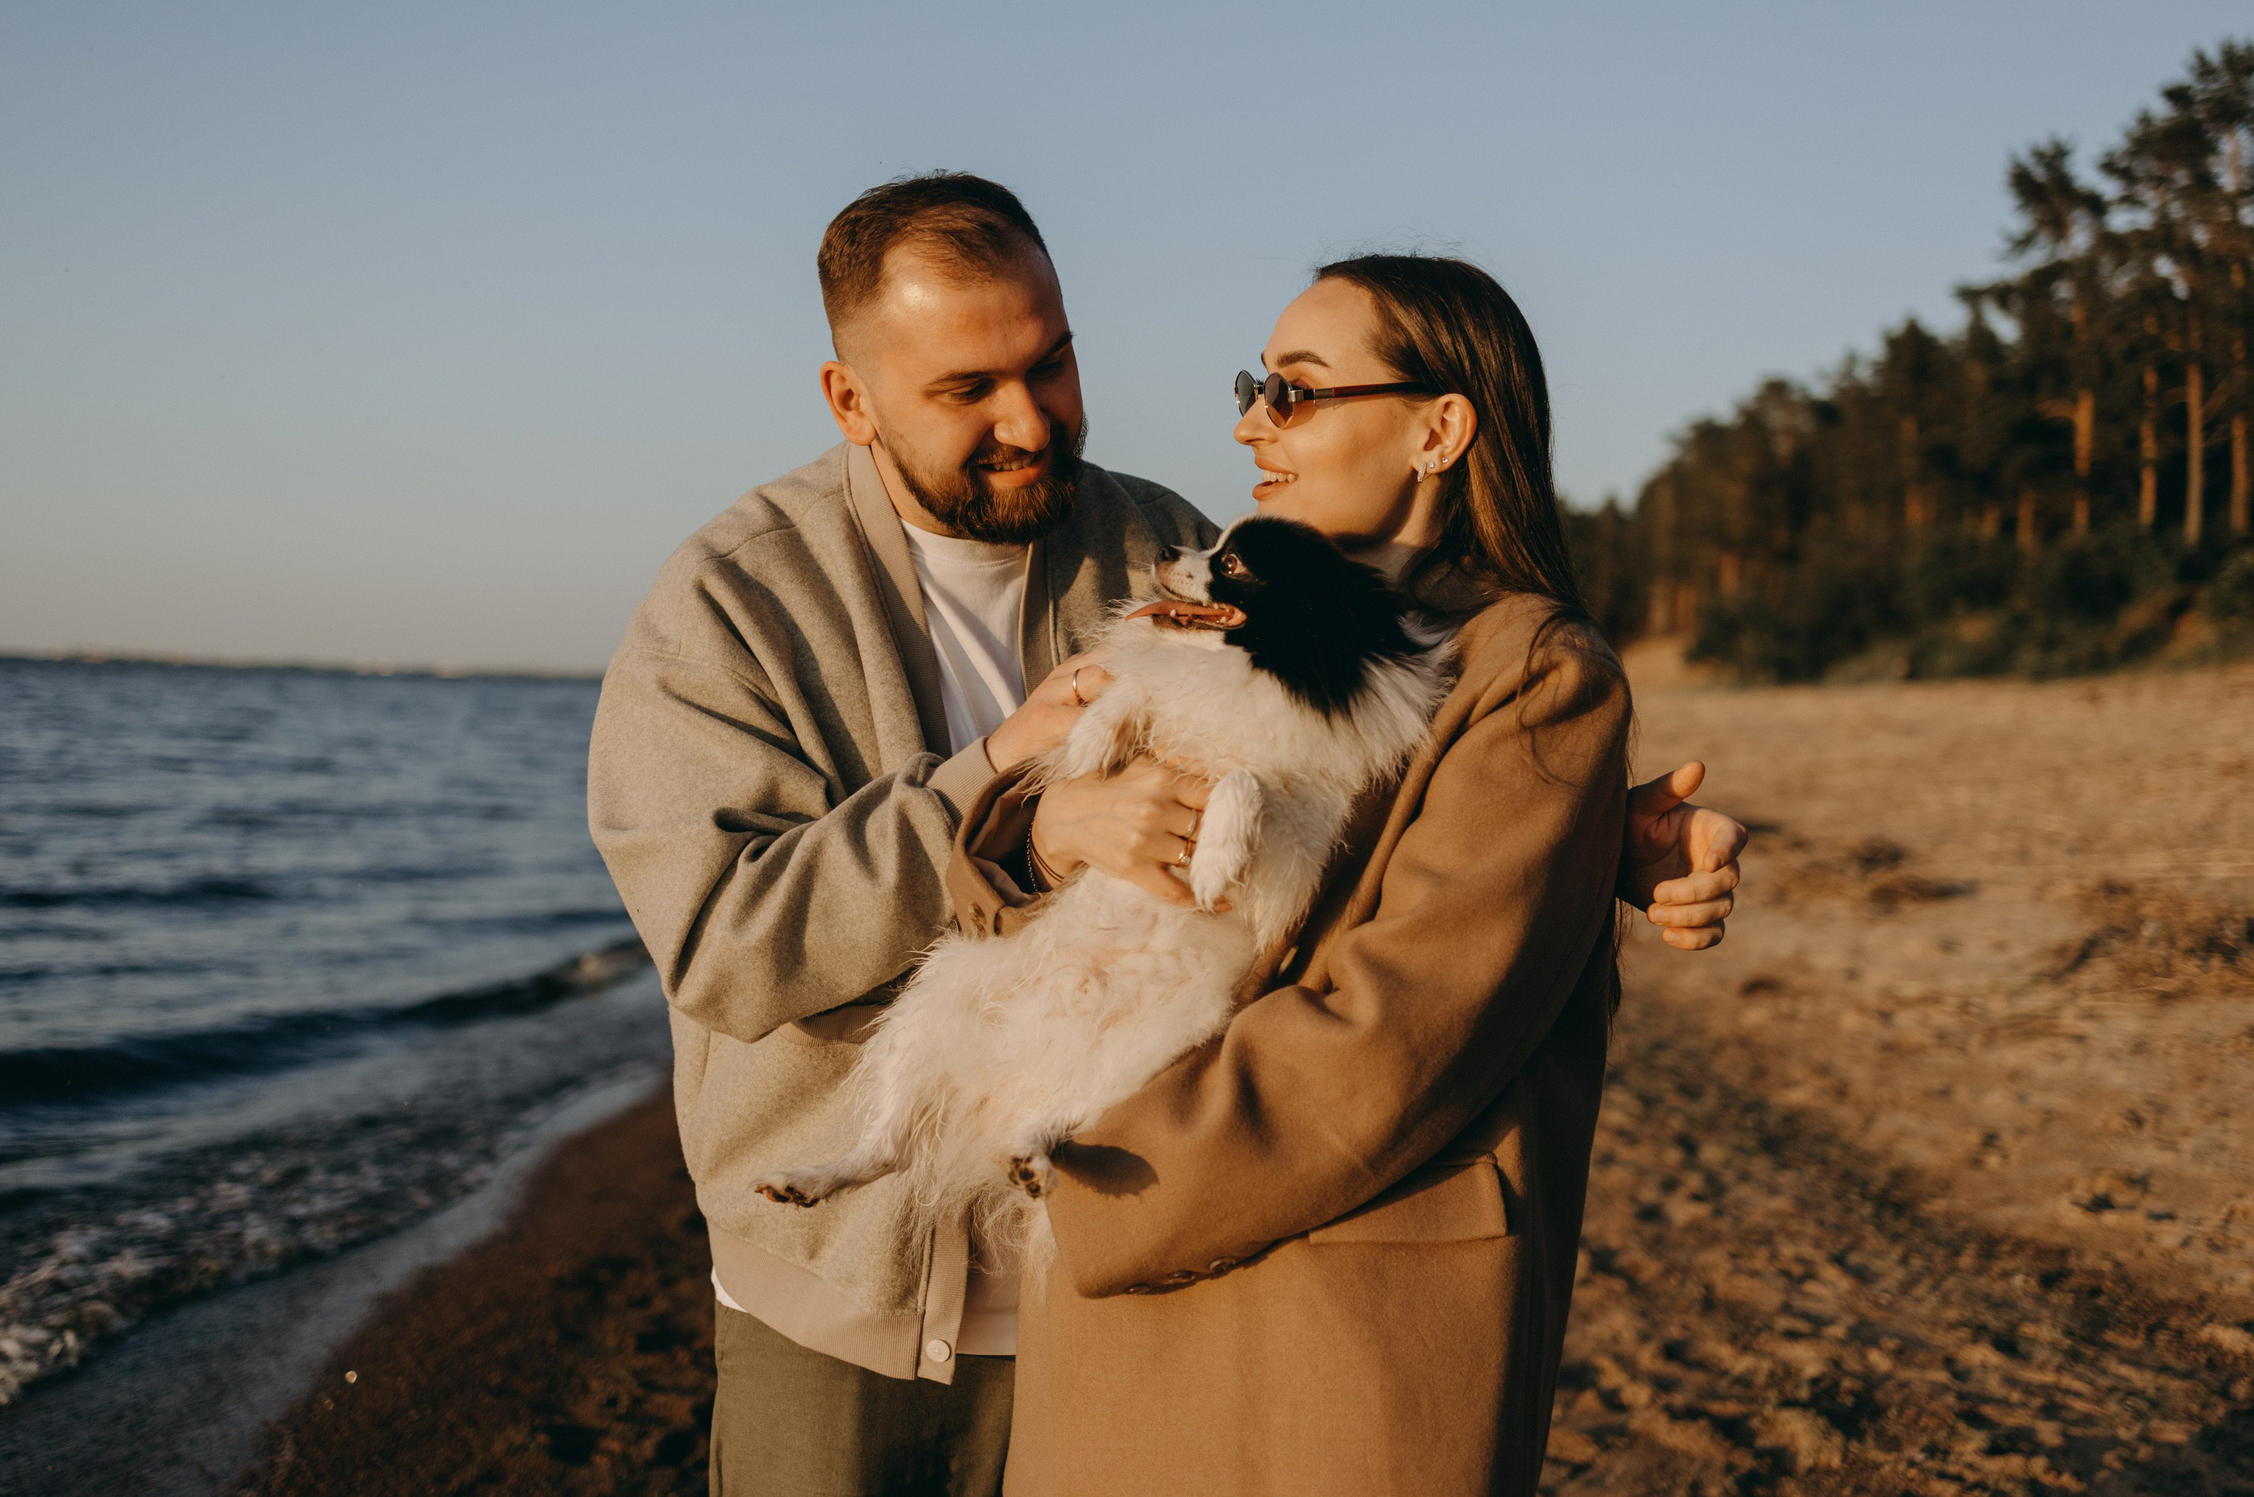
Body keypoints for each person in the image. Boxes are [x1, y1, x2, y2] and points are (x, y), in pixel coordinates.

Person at [587, 176, 1744, 1497]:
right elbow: (724, 945)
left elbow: (1356, 789)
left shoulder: (1177, 541)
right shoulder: (729, 603)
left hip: (1135, 1280)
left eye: (1054, 361)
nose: (1030, 417)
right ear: (852, 399)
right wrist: (1014, 814)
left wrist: (1604, 853)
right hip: (852, 1298)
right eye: (969, 389)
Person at [948, 253, 1655, 1494]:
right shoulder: (1225, 598)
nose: (1247, 423)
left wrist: (1095, 1176)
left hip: (1338, 1307)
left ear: (1440, 428)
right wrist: (1050, 827)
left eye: (1296, 391)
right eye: (1255, 385)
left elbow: (1394, 1035)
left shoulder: (1532, 668)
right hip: (1135, 1292)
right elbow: (1069, 863)